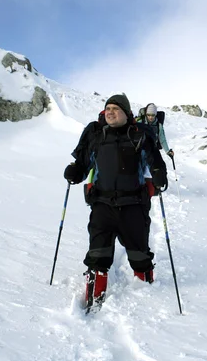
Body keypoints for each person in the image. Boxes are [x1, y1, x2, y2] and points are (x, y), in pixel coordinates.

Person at [63, 94, 168, 311]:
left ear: (126, 112)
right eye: (107, 108)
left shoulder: (139, 134)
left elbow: (154, 159)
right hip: (102, 203)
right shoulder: (97, 135)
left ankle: (146, 293)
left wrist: (159, 173)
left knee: (139, 254)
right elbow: (83, 163)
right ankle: (93, 299)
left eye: (115, 108)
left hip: (134, 204)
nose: (110, 112)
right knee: (97, 254)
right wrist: (75, 171)